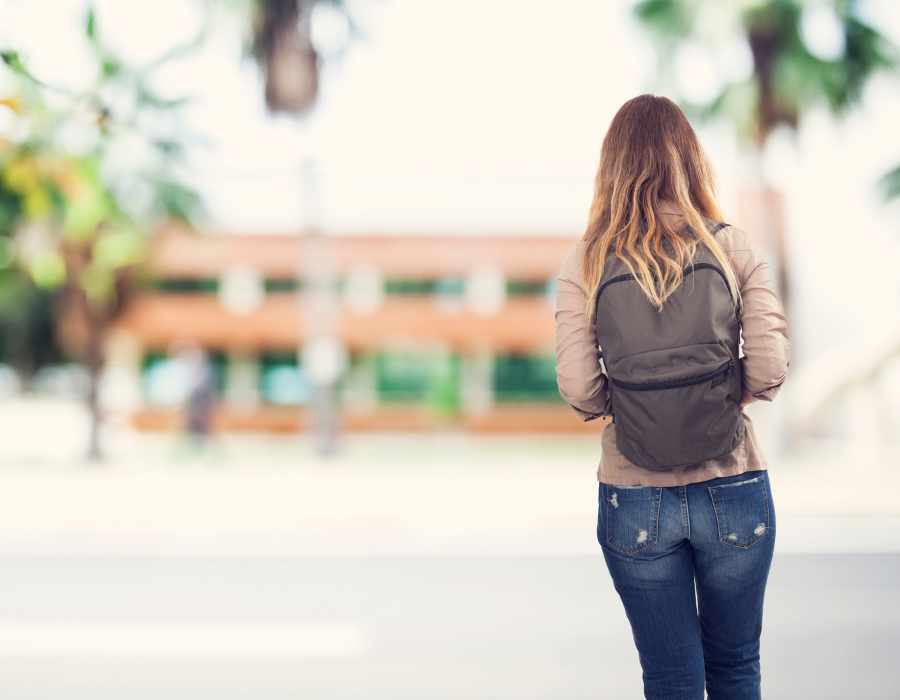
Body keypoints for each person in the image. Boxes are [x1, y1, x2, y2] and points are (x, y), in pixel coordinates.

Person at [554, 94, 791, 700]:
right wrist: (720, 389)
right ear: (691, 159)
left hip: (635, 499)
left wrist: (629, 399)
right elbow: (769, 367)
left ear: (612, 167)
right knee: (735, 667)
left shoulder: (586, 261)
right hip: (734, 484)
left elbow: (578, 387)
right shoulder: (731, 247)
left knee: (670, 679)